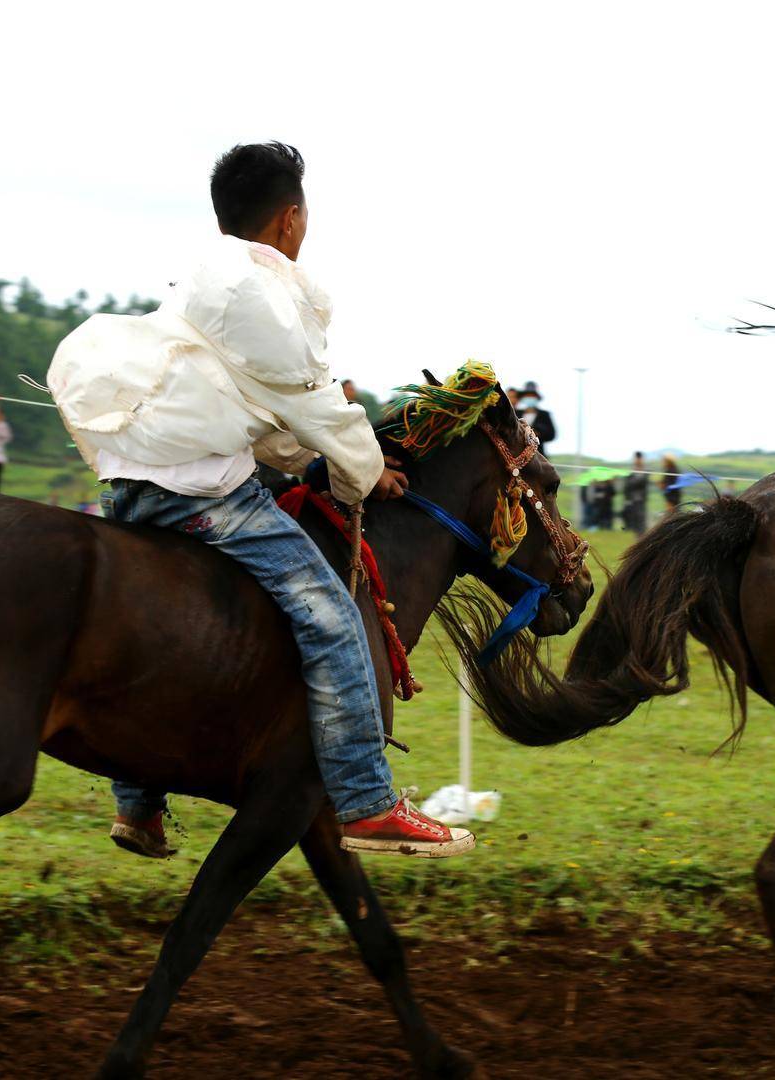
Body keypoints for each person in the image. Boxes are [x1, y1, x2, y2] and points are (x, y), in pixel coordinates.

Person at [49, 140, 472, 859]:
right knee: (337, 620)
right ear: (290, 218)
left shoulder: (203, 278)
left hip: (134, 486)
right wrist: (362, 475)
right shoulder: (263, 292)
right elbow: (316, 411)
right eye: (303, 217)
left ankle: (138, 805)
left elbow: (253, 411)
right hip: (203, 493)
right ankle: (368, 802)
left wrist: (318, 459)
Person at [515, 381, 556, 455]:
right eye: (528, 395)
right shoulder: (516, 413)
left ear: (537, 397)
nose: (530, 398)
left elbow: (552, 435)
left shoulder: (544, 415)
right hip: (518, 454)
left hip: (538, 454)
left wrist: (538, 433)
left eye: (532, 396)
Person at [622, 451, 650, 533]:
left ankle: (641, 534)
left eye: (639, 458)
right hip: (632, 499)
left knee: (641, 518)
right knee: (633, 518)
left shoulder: (645, 471)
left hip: (641, 499)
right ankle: (635, 533)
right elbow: (627, 486)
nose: (638, 460)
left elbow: (643, 482)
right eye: (637, 458)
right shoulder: (631, 472)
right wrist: (626, 499)